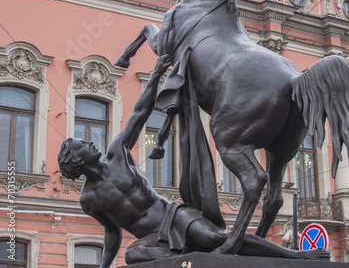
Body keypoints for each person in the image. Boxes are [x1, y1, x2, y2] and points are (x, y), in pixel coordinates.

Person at [58, 55, 330, 268]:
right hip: (151, 239)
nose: (90, 142)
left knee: (215, 239)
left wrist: (154, 76)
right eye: (82, 144)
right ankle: (188, 253)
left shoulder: (117, 153)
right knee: (132, 257)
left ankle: (296, 257)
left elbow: (140, 114)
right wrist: (104, 266)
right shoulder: (89, 199)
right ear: (75, 160)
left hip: (172, 215)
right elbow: (112, 232)